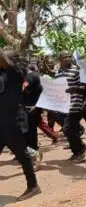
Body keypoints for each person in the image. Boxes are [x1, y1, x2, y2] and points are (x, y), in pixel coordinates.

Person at [0, 49, 41, 201]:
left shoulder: (16, 74)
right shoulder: (2, 75)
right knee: (23, 155)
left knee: (23, 156)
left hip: (13, 123)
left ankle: (33, 186)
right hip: (1, 124)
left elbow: (5, 60)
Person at [55, 51, 86, 163]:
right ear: (60, 59)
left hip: (75, 103)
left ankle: (80, 150)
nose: (68, 58)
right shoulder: (59, 72)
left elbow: (83, 87)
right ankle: (77, 150)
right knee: (69, 130)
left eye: (69, 56)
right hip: (63, 105)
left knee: (69, 128)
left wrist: (73, 89)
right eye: (65, 57)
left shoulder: (76, 70)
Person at [22, 64, 45, 170]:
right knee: (31, 132)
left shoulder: (29, 77)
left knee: (28, 133)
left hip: (30, 109)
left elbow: (23, 89)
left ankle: (34, 155)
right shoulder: (36, 75)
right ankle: (34, 152)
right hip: (35, 108)